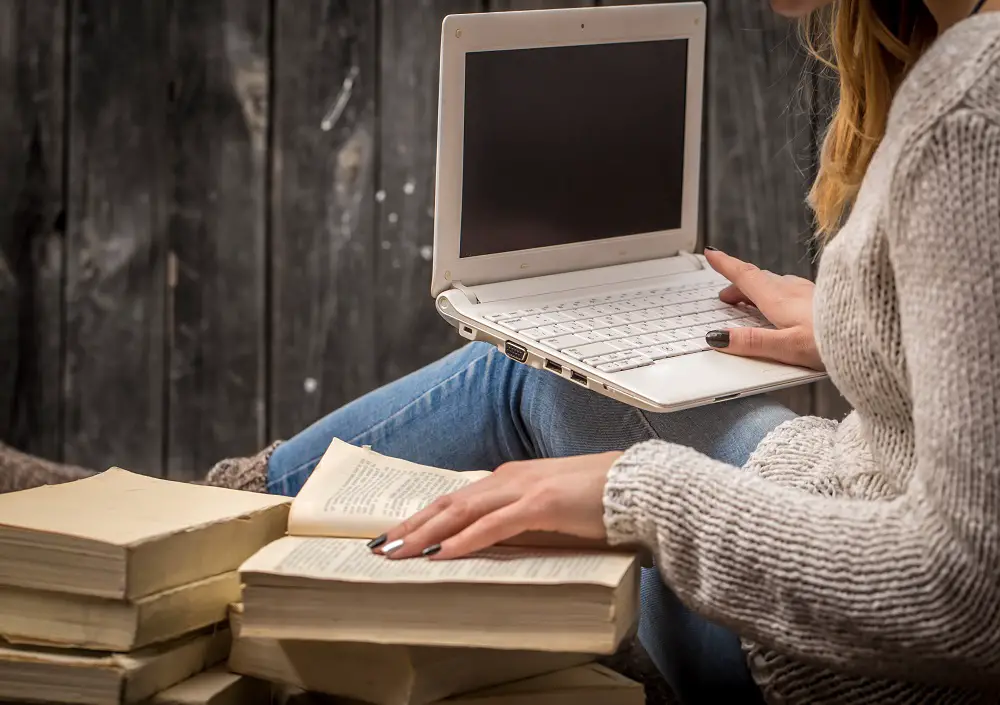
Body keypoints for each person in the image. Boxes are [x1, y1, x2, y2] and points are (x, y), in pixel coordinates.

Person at [5, 0, 998, 703]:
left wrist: (632, 491)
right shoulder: (964, 60)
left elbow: (966, 591)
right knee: (529, 361)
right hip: (821, 498)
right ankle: (177, 522)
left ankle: (168, 532)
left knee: (512, 377)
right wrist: (849, 319)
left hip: (817, 665)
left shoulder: (968, 105)